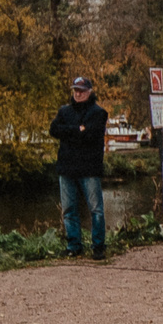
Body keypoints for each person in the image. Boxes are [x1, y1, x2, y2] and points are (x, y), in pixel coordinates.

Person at [49, 76, 109, 259]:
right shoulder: (64, 111)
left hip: (89, 168)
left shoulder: (99, 113)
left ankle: (98, 246)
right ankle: (74, 245)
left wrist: (70, 131)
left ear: (89, 92)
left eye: (81, 90)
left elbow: (91, 135)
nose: (78, 93)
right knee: (68, 209)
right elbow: (53, 130)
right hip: (67, 168)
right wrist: (78, 129)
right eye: (75, 90)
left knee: (95, 209)